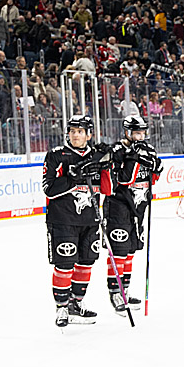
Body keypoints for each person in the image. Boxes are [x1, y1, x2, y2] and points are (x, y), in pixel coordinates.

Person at [42, 115, 111, 327]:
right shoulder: (56, 155)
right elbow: (49, 189)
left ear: (89, 134)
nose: (75, 135)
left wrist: (108, 164)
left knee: (86, 263)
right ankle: (61, 308)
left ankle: (75, 304)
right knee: (64, 264)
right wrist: (74, 177)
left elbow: (108, 189)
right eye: (72, 131)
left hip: (89, 220)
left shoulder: (96, 157)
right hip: (62, 220)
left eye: (80, 131)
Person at [104, 115, 162, 315]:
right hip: (119, 205)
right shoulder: (117, 150)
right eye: (136, 132)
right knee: (119, 250)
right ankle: (115, 292)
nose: (140, 136)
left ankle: (125, 289)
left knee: (131, 250)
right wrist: (134, 158)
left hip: (139, 206)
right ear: (126, 132)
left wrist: (153, 164)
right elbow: (122, 179)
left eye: (142, 132)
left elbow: (157, 171)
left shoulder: (148, 148)